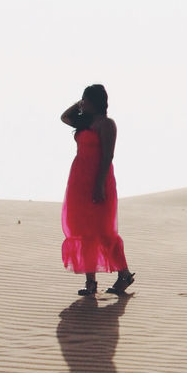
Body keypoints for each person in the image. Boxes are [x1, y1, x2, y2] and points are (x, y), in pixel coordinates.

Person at [60, 84, 135, 295]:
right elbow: (65, 117)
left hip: (99, 180)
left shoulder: (107, 124)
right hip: (78, 181)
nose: (85, 103)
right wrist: (78, 104)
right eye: (84, 100)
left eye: (88, 100)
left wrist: (100, 184)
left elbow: (108, 156)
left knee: (104, 231)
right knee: (82, 230)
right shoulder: (84, 122)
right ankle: (90, 283)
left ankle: (124, 275)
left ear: (98, 102)